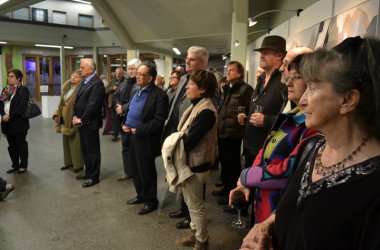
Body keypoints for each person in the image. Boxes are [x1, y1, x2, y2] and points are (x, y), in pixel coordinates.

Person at [240, 37, 380, 250]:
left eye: (312, 88)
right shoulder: (315, 148)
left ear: (348, 99)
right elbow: (295, 205)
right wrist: (267, 225)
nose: (303, 99)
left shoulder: (373, 190)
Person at [229, 47, 316, 225]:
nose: (288, 81)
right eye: (286, 69)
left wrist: (246, 176)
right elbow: (267, 146)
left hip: (281, 212)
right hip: (265, 203)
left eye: (296, 76)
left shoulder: (313, 124)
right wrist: (246, 181)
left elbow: (289, 171)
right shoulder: (292, 114)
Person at [163, 46, 209, 230]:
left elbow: (209, 110)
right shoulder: (183, 78)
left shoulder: (208, 80)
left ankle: (193, 218)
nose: (187, 62)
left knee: (193, 180)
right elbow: (176, 104)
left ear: (203, 62)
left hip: (194, 137)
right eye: (187, 58)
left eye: (192, 59)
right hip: (178, 131)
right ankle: (184, 209)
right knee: (182, 174)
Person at [174, 69, 218, 250]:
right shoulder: (198, 104)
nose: (187, 88)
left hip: (197, 164)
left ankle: (202, 240)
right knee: (190, 202)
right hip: (190, 162)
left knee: (195, 205)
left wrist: (174, 141)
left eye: (191, 84)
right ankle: (195, 233)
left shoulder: (206, 111)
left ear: (202, 89)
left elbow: (191, 140)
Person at [123, 61, 169, 215]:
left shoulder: (159, 95)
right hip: (130, 134)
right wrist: (125, 124)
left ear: (150, 78)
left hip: (145, 137)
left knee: (146, 170)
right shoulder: (136, 89)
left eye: (141, 74)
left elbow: (158, 121)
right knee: (135, 168)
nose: (137, 77)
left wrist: (139, 130)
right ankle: (140, 195)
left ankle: (151, 201)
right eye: (137, 73)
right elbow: (130, 109)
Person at [243, 35, 288, 169]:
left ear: (279, 55)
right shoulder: (261, 78)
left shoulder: (285, 81)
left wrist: (266, 121)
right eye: (261, 53)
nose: (261, 56)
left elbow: (293, 117)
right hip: (250, 146)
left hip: (268, 151)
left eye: (266, 52)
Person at [213, 61, 253, 206]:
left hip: (234, 133)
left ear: (239, 73)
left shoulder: (245, 89)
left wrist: (243, 123)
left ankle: (232, 190)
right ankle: (225, 188)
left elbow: (249, 110)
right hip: (223, 131)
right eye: (227, 70)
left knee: (232, 164)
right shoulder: (228, 88)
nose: (227, 73)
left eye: (231, 70)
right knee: (224, 162)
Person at [73, 58, 105, 188]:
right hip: (82, 122)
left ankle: (94, 176)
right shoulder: (85, 81)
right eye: (80, 67)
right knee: (85, 149)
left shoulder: (97, 83)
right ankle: (88, 171)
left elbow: (93, 105)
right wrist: (75, 116)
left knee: (92, 150)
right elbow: (78, 101)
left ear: (91, 69)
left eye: (82, 67)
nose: (80, 69)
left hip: (89, 122)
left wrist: (83, 119)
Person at [113, 59, 141, 181]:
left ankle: (137, 172)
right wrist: (117, 106)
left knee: (136, 148)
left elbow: (137, 102)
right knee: (125, 147)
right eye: (129, 68)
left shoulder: (140, 84)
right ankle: (128, 171)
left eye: (133, 68)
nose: (130, 71)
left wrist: (122, 108)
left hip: (134, 121)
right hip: (123, 119)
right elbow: (116, 96)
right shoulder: (124, 83)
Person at [53, 70, 84, 173]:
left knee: (75, 142)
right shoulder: (68, 88)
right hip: (65, 119)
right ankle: (69, 163)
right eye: (72, 75)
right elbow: (61, 104)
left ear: (81, 79)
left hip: (74, 117)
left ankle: (78, 165)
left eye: (76, 76)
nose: (73, 77)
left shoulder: (80, 90)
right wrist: (57, 114)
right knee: (66, 142)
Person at [0, 68, 30, 174]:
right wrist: (3, 115)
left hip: (19, 123)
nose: (9, 78)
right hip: (7, 123)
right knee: (11, 146)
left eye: (12, 76)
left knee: (21, 144)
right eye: (8, 76)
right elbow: (0, 104)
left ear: (19, 78)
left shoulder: (23, 90)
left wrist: (9, 116)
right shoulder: (6, 89)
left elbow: (22, 107)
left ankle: (23, 165)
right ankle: (15, 164)